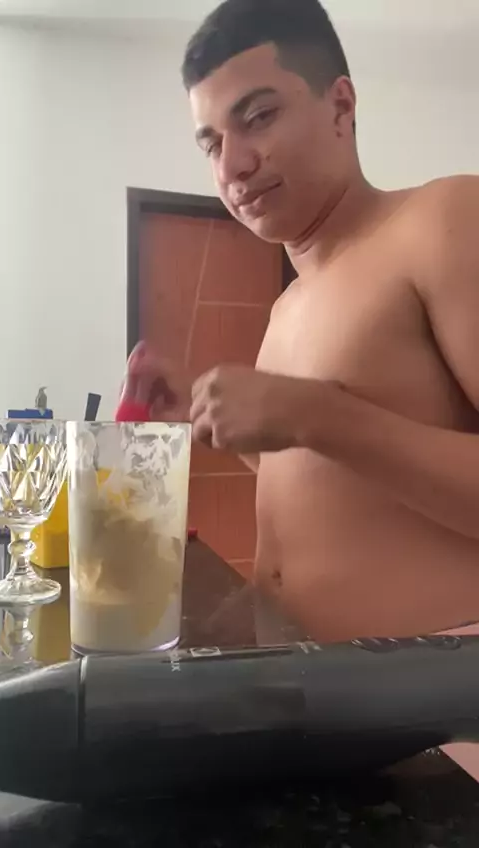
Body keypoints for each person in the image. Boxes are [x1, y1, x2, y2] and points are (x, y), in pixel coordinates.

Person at [124, 0, 479, 643]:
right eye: (212, 144)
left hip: (432, 693)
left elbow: (326, 427)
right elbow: (339, 481)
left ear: (341, 106)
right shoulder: (288, 306)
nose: (231, 167)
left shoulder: (445, 219)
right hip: (303, 672)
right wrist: (217, 423)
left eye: (258, 118)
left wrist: (316, 413)